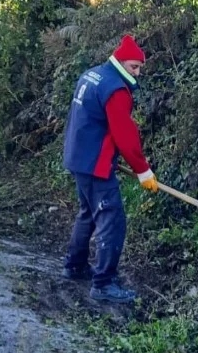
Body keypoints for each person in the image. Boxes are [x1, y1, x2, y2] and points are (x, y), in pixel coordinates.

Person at [62, 34, 159, 304]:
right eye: (134, 67)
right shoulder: (115, 89)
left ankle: (75, 265)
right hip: (95, 164)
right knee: (111, 220)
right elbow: (125, 134)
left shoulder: (92, 75)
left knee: (88, 214)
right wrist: (143, 171)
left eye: (139, 68)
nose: (137, 73)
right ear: (120, 61)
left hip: (78, 156)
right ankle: (104, 283)